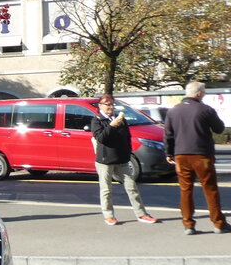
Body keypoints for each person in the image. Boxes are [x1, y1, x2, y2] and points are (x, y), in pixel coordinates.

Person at [164, 81, 227, 235]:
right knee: (210, 189)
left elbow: (168, 135)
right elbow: (219, 128)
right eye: (203, 92)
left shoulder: (173, 111)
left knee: (185, 190)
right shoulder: (205, 110)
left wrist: (169, 153)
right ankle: (218, 223)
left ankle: (188, 224)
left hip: (181, 155)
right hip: (202, 154)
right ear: (199, 93)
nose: (203, 95)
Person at [90, 95, 157, 226]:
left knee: (132, 187)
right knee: (106, 189)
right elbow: (101, 138)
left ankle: (141, 214)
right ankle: (108, 215)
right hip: (105, 160)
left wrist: (127, 153)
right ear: (100, 106)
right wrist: (112, 126)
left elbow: (127, 137)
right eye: (107, 104)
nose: (110, 107)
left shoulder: (121, 119)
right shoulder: (97, 120)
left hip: (122, 159)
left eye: (112, 104)